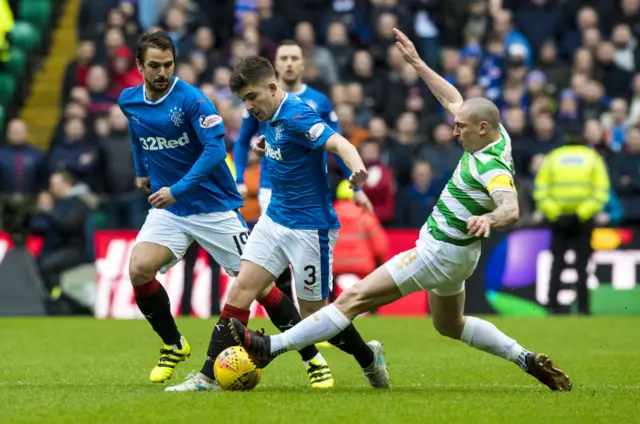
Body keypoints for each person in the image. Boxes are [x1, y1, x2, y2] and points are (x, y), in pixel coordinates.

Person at [228, 29, 573, 392]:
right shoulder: (498, 136)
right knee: (449, 326)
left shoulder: (490, 167)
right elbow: (454, 99)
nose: (455, 132)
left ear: (482, 128)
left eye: (462, 128)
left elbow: (511, 206)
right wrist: (418, 63)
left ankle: (271, 347)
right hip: (460, 256)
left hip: (439, 251)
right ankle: (524, 357)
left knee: (351, 299)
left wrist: (490, 217)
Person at [166, 55, 390, 392]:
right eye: (243, 100)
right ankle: (207, 377)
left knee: (318, 317)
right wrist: (265, 145)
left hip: (310, 229)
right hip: (274, 221)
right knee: (241, 289)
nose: (249, 106)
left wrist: (357, 171)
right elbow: (285, 145)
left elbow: (339, 143)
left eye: (252, 97)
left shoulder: (299, 114)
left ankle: (368, 358)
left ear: (272, 88)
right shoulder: (271, 117)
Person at [118, 30, 325, 387]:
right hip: (171, 209)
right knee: (139, 268)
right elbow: (137, 133)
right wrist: (141, 171)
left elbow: (215, 151)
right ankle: (173, 344)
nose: (162, 72)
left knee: (260, 287)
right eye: (154, 66)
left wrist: (177, 188)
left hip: (213, 207)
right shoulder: (129, 101)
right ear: (139, 66)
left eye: (168, 65)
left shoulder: (192, 101)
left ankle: (312, 357)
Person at [233, 40, 373, 302]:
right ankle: (293, 317)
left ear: (302, 64)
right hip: (270, 187)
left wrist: (357, 184)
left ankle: (311, 315)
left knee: (306, 259)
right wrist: (241, 177)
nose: (288, 63)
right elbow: (242, 141)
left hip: (308, 190)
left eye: (293, 58)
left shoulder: (317, 101)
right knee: (276, 258)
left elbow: (337, 142)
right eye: (283, 58)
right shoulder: (257, 98)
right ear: (276, 65)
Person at [534, 134, 610, 315]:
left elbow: (541, 190)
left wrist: (555, 213)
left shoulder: (553, 157)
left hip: (559, 220)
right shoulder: (592, 158)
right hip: (582, 221)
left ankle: (553, 308)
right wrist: (582, 213)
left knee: (557, 264)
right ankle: (584, 309)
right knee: (582, 266)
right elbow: (601, 191)